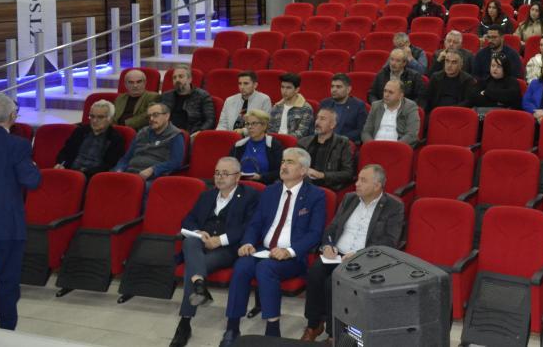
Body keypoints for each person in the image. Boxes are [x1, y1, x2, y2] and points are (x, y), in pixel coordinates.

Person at [219, 148, 325, 347]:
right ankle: (232, 327)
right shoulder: (270, 191)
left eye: (290, 162)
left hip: (293, 257)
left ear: (303, 170)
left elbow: (314, 233)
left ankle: (272, 330)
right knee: (241, 266)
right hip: (263, 250)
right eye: (283, 161)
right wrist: (248, 243)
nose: (284, 165)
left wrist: (289, 251)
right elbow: (255, 224)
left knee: (265, 268)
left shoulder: (315, 195)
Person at [300, 165, 405, 343]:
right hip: (336, 254)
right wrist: (327, 245)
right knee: (315, 273)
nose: (357, 184)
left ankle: (333, 334)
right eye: (358, 179)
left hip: (363, 260)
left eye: (363, 181)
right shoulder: (350, 199)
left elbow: (390, 241)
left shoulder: (393, 206)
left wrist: (359, 254)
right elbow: (333, 227)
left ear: (377, 185)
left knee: (332, 283)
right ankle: (314, 325)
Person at [169, 157, 258, 347]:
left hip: (227, 249)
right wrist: (198, 232)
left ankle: (184, 323)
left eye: (225, 173)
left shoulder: (250, 195)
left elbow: (249, 225)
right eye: (217, 173)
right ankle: (199, 285)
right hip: (201, 243)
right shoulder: (207, 195)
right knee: (190, 241)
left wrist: (220, 240)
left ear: (238, 177)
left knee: (193, 268)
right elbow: (189, 219)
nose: (219, 177)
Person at [0, 93, 41, 330]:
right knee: (7, 281)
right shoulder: (18, 145)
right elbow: (31, 181)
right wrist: (34, 167)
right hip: (7, 224)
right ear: (12, 116)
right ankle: (5, 332)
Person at [114, 102, 185, 181]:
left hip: (153, 177)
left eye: (155, 115)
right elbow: (126, 158)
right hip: (130, 172)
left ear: (167, 116)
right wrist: (119, 170)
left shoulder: (175, 135)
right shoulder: (142, 133)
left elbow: (176, 162)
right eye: (149, 116)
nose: (151, 119)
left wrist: (153, 169)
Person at [54, 99, 126, 177]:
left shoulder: (115, 139)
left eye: (100, 117)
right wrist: (61, 164)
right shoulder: (80, 131)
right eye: (92, 116)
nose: (94, 121)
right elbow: (65, 152)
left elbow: (109, 165)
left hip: (93, 177)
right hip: (70, 172)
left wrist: (85, 173)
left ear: (110, 119)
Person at [297, 108, 355, 191]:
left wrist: (322, 175)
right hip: (304, 185)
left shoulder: (342, 143)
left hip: (328, 187)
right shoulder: (304, 142)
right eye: (317, 118)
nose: (317, 122)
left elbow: (348, 174)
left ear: (332, 125)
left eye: (322, 119)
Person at [230, 109, 284, 184]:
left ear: (264, 126)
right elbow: (229, 167)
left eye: (254, 123)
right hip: (239, 184)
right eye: (247, 124)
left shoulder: (274, 145)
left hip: (265, 185)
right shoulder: (239, 145)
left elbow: (280, 171)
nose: (250, 127)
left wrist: (261, 177)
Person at [362, 80, 421, 146]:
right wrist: (372, 145)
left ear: (400, 95)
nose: (386, 95)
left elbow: (412, 134)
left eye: (391, 92)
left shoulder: (410, 107)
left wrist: (394, 147)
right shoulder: (376, 106)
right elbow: (366, 132)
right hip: (375, 146)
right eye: (385, 91)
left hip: (398, 147)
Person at [160, 65, 215, 134]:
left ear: (190, 79)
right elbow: (160, 116)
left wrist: (200, 131)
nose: (177, 80)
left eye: (181, 76)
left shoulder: (202, 96)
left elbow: (210, 120)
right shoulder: (166, 96)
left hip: (191, 133)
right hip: (168, 134)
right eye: (174, 78)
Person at [317, 73, 367, 144]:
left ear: (348, 89)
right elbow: (317, 125)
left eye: (338, 87)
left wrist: (338, 139)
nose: (334, 90)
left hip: (343, 143)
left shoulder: (358, 106)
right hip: (322, 141)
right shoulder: (325, 103)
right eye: (332, 86)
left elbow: (360, 131)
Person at [424, 50, 477, 115]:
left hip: (458, 113)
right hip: (437, 113)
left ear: (461, 65)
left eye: (454, 62)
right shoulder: (435, 77)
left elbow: (468, 102)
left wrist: (450, 111)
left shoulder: (468, 80)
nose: (449, 65)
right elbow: (427, 99)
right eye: (447, 61)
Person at [269, 72, 315, 138]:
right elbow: (270, 129)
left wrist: (284, 140)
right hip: (275, 141)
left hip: (294, 143)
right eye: (282, 87)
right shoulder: (277, 107)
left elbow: (301, 133)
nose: (284, 91)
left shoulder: (306, 108)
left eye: (288, 88)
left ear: (297, 90)